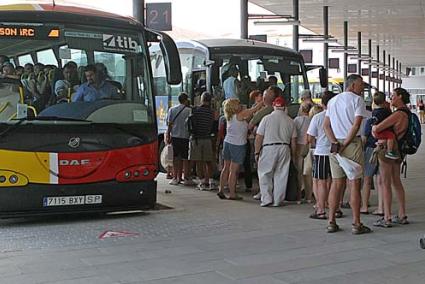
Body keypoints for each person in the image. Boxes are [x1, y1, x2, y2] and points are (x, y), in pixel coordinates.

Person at [324, 74, 371, 235]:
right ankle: (356, 223)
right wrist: (345, 144)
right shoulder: (357, 101)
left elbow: (326, 126)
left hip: (335, 145)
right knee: (354, 185)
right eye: (361, 84)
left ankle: (331, 221)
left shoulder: (332, 101)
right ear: (352, 85)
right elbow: (356, 125)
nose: (363, 87)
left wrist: (334, 143)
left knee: (336, 184)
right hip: (351, 145)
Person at [372, 88, 411, 227]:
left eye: (393, 96)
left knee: (385, 182)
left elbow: (377, 128)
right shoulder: (408, 113)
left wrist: (373, 129)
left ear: (400, 97)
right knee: (396, 182)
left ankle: (387, 216)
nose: (391, 98)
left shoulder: (398, 114)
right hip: (399, 151)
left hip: (387, 151)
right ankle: (402, 214)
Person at [217, 98, 263, 200]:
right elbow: (253, 110)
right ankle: (232, 194)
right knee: (234, 170)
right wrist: (262, 102)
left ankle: (221, 190)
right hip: (238, 144)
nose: (241, 105)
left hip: (227, 143)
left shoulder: (229, 116)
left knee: (226, 168)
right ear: (234, 107)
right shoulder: (240, 115)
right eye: (238, 104)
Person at [255, 96, 297, 207]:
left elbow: (259, 137)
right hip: (284, 148)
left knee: (265, 173)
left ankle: (267, 198)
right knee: (282, 174)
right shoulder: (290, 121)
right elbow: (293, 141)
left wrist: (256, 152)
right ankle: (278, 200)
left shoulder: (266, 119)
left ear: (274, 106)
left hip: (268, 147)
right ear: (284, 107)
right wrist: (293, 154)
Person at [307, 91, 336, 219]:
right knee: (336, 181)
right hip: (336, 152)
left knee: (321, 182)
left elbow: (310, 137)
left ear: (322, 103)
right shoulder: (338, 116)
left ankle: (321, 209)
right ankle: (336, 208)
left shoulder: (318, 117)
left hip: (322, 152)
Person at [188, 92, 215, 190]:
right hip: (207, 138)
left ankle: (202, 182)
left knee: (199, 162)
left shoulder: (196, 110)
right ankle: (209, 181)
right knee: (208, 161)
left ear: (202, 99)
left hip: (197, 139)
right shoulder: (212, 112)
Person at [166, 92, 194, 186]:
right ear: (186, 100)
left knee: (175, 158)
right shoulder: (189, 110)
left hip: (175, 136)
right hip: (185, 137)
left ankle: (175, 178)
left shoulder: (172, 110)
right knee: (185, 158)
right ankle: (185, 178)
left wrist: (168, 134)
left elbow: (169, 124)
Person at [294, 102, 313, 203]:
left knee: (299, 173)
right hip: (309, 147)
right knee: (308, 173)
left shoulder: (297, 120)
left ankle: (298, 197)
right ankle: (309, 196)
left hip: (299, 146)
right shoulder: (312, 119)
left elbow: (294, 135)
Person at [370, 92, 399, 160]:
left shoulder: (374, 111)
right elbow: (391, 119)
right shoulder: (385, 111)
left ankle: (378, 145)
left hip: (374, 132)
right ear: (384, 101)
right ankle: (389, 151)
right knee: (391, 136)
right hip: (381, 132)